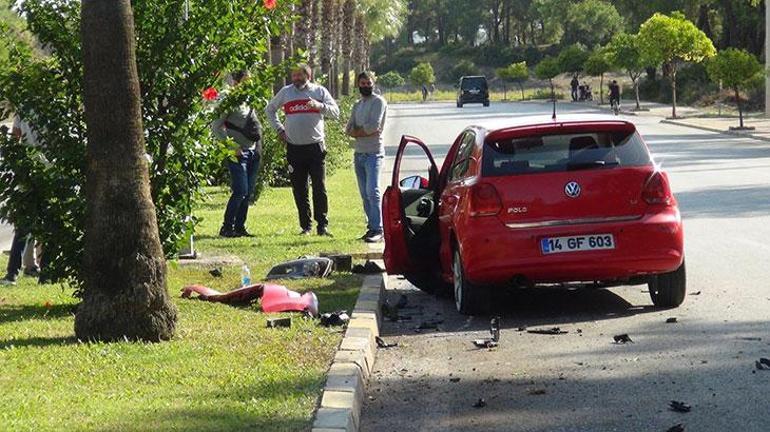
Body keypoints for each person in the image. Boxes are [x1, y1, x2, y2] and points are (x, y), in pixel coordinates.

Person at [266, 64, 340, 236]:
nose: (296, 78)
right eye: (294, 75)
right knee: (299, 189)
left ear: (308, 75)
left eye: (299, 75)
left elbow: (335, 112)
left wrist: (319, 106)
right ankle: (305, 226)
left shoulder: (319, 91)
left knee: (319, 187)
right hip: (294, 147)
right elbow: (270, 110)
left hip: (315, 147)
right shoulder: (285, 92)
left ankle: (322, 226)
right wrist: (279, 129)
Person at [212, 70, 263, 238]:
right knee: (240, 190)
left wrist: (257, 148)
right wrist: (231, 147)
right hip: (237, 153)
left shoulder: (249, 100)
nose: (249, 84)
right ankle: (227, 227)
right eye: (246, 81)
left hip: (252, 151)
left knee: (247, 192)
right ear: (236, 82)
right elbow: (216, 127)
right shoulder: (228, 99)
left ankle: (240, 227)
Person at [1, 115, 43, 285]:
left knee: (24, 224)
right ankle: (45, 272)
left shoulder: (24, 108)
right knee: (48, 223)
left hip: (28, 169)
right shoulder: (53, 104)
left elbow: (15, 135)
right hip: (49, 168)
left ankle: (13, 272)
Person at [346, 72, 387, 243]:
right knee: (364, 194)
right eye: (362, 83)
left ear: (373, 83)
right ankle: (371, 227)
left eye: (368, 82)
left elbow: (374, 127)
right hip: (359, 154)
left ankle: (378, 229)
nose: (365, 86)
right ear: (358, 85)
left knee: (373, 191)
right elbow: (348, 128)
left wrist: (358, 132)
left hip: (374, 153)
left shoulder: (379, 102)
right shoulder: (357, 104)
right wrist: (358, 132)